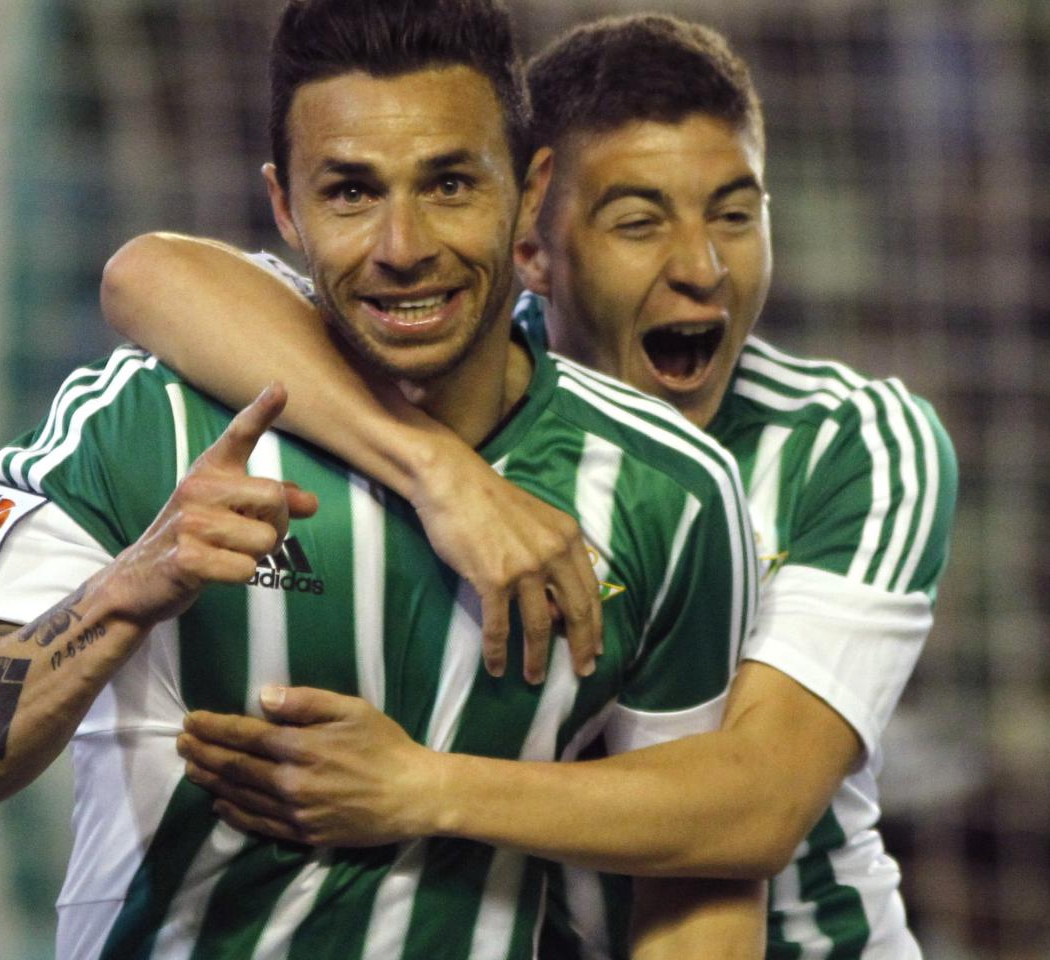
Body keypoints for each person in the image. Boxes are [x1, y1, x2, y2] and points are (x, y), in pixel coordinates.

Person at [0, 1, 765, 957]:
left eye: (451, 185)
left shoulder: (670, 489)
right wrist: (128, 590)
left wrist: (426, 789)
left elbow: (693, 871)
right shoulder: (148, 424)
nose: (403, 246)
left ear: (532, 191)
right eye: (349, 193)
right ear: (284, 207)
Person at [100, 13, 957, 960]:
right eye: (639, 221)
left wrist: (422, 788)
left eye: (734, 214)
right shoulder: (447, 381)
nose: (701, 269)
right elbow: (151, 273)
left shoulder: (849, 441)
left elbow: (758, 800)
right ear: (529, 239)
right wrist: (442, 472)